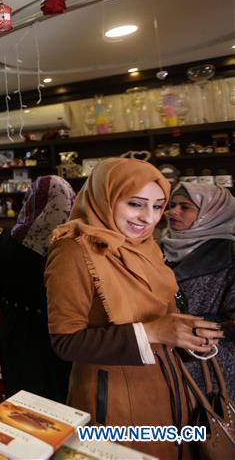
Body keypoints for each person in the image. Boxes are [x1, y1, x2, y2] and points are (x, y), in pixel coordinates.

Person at [45, 158, 224, 459]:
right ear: (107, 196)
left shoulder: (145, 246)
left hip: (169, 392)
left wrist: (187, 337)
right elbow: (65, 341)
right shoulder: (73, 250)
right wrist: (153, 331)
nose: (149, 218)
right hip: (114, 398)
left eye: (157, 206)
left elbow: (162, 318)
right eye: (135, 204)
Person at [0, 175, 76, 402]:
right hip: (55, 344)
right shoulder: (70, 246)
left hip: (13, 337)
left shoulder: (5, 239)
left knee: (18, 406)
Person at [163, 182, 235, 393]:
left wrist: (191, 326)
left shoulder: (229, 255)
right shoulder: (157, 247)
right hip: (162, 357)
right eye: (172, 205)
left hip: (211, 365)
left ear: (212, 212)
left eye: (185, 207)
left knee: (205, 421)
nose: (173, 212)